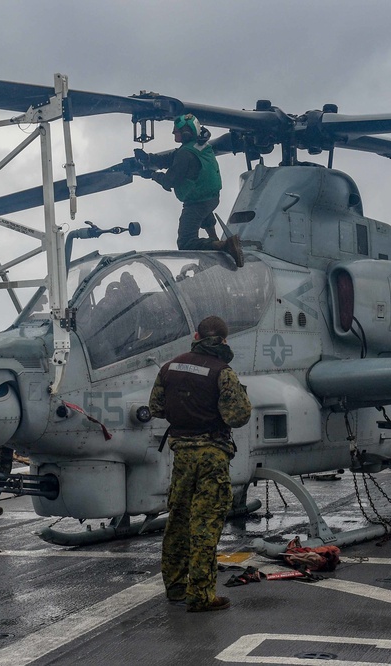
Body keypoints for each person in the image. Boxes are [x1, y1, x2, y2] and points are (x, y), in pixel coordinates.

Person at [148, 315, 251, 612]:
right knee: (205, 523)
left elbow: (156, 407)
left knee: (178, 518)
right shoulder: (223, 372)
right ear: (224, 340)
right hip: (212, 455)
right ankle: (202, 594)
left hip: (181, 455)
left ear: (196, 335)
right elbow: (238, 417)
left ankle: (176, 586)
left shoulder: (170, 367)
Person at [146, 114, 244, 267]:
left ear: (186, 132)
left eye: (176, 131)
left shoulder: (185, 154)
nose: (173, 133)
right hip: (210, 198)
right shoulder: (200, 145)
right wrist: (150, 159)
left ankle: (225, 247)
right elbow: (175, 156)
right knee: (203, 215)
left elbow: (169, 181)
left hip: (196, 202)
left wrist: (152, 175)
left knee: (185, 242)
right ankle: (215, 239)